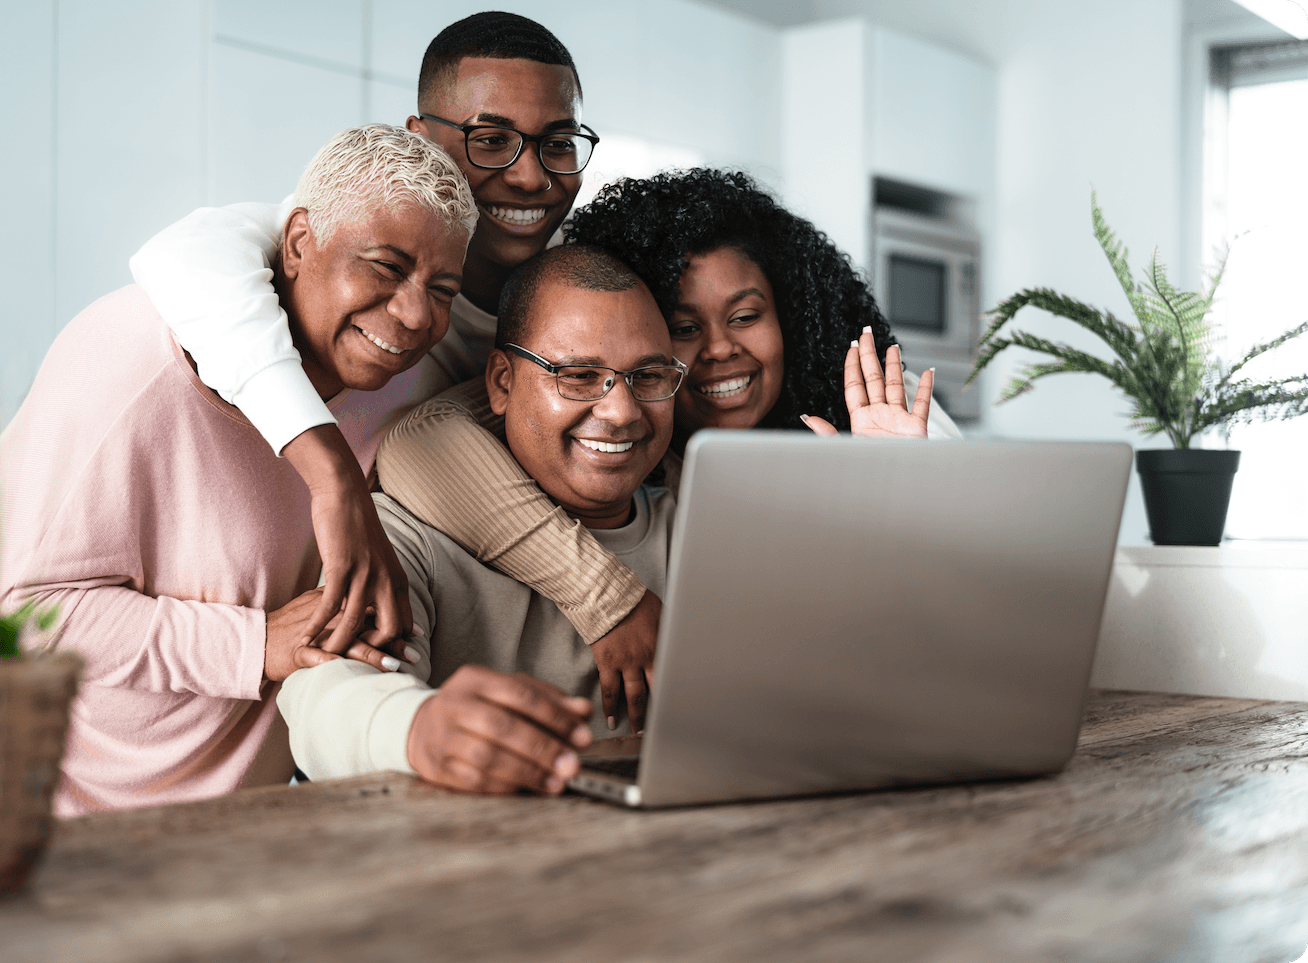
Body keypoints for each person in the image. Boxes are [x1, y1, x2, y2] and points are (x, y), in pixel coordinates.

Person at [128, 13, 656, 697]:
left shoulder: (582, 301)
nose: (530, 177)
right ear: (421, 138)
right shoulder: (334, 248)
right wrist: (333, 476)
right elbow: (185, 253)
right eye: (490, 140)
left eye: (558, 143)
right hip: (357, 687)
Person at [0, 126, 476, 815]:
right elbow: (25, 611)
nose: (414, 314)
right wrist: (255, 644)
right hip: (57, 821)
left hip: (244, 830)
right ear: (301, 243)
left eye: (442, 287)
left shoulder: (405, 385)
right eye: (385, 267)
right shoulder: (129, 364)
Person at [373, 169, 961, 734]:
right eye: (683, 327)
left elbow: (884, 668)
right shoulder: (647, 463)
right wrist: (609, 600)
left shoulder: (873, 408)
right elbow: (421, 440)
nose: (719, 349)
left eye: (747, 316)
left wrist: (891, 512)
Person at [278, 245, 683, 794]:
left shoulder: (702, 527)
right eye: (579, 376)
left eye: (649, 376)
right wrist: (416, 729)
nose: (621, 411)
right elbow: (323, 694)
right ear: (501, 384)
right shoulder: (400, 535)